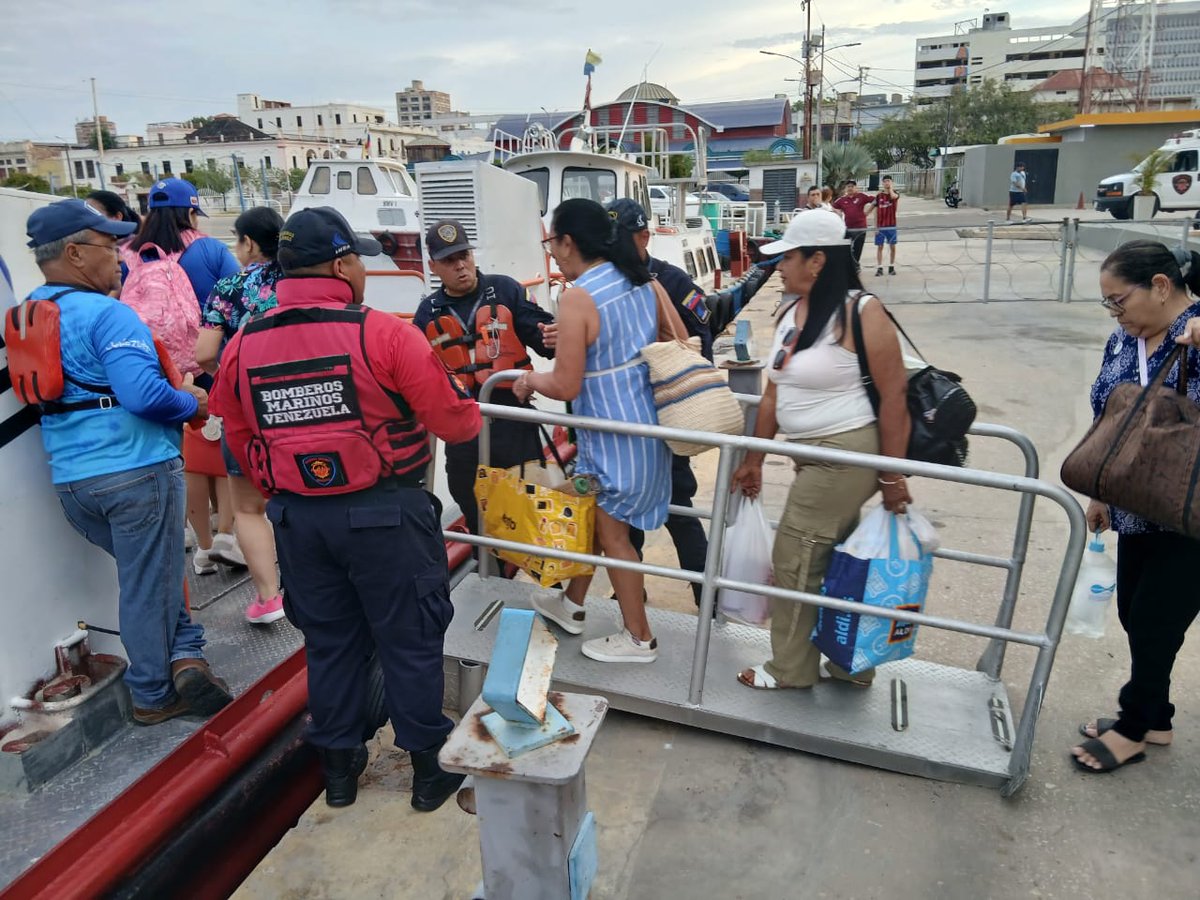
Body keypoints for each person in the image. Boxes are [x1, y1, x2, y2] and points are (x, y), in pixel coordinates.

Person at [210, 206, 481, 809]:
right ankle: (428, 774)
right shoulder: (384, 332)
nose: (361, 266)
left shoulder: (244, 344)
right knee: (409, 640)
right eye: (357, 256)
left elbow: (235, 431)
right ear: (341, 265)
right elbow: (456, 424)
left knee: (329, 643)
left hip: (300, 523)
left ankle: (337, 771)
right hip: (386, 515)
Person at [23, 199, 232, 725]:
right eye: (108, 245)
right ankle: (154, 695)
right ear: (73, 253)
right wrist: (194, 402)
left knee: (152, 577)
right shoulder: (109, 314)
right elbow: (143, 396)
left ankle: (187, 657)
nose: (121, 256)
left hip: (73, 483)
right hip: (137, 472)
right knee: (148, 584)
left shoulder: (29, 311)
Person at [728, 208, 912, 691]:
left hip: (845, 456)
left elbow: (895, 397)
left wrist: (892, 477)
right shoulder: (793, 311)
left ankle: (790, 669)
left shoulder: (861, 312)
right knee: (837, 564)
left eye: (787, 257)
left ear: (818, 261)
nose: (779, 267)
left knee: (795, 558)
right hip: (809, 456)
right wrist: (755, 458)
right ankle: (851, 665)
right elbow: (773, 392)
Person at [513, 198, 687, 663]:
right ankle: (571, 605)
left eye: (552, 242)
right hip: (642, 433)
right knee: (592, 517)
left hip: (610, 438)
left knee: (614, 538)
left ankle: (639, 638)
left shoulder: (578, 296)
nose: (552, 252)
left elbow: (566, 382)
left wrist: (528, 379)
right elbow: (674, 342)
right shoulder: (640, 281)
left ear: (569, 242)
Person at [1070, 240, 1200, 774]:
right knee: (1135, 613)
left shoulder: (1196, 331)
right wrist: (1102, 491)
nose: (1115, 314)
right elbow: (1111, 420)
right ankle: (1158, 717)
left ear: (1162, 287)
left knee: (1154, 620)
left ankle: (1132, 727)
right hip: (1137, 504)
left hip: (1190, 512)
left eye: (1119, 301)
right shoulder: (1124, 342)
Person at [123, 178, 244, 573]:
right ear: (191, 211)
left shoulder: (131, 254)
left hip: (160, 367)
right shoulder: (207, 249)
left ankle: (202, 549)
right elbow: (238, 295)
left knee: (187, 456)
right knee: (222, 444)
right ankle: (226, 534)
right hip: (211, 362)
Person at [411, 219, 554, 539]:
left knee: (529, 519)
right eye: (449, 260)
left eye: (464, 254)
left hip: (513, 423)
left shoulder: (506, 290)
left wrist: (560, 332)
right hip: (464, 433)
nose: (461, 265)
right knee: (476, 518)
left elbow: (546, 340)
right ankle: (490, 575)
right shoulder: (427, 314)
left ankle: (544, 585)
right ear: (433, 266)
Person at [605, 198, 710, 607]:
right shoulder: (604, 286)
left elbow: (698, 348)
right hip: (626, 426)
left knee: (678, 510)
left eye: (620, 240)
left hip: (665, 420)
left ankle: (709, 602)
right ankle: (630, 596)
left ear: (644, 237)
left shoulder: (674, 283)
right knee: (624, 516)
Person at [196, 207, 286, 623]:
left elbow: (204, 354)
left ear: (249, 243)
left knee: (249, 507)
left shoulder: (229, 287)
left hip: (246, 411)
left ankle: (270, 599)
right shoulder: (301, 282)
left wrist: (231, 381)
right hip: (303, 405)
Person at [831, 180, 871, 272]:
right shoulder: (842, 200)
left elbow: (875, 200)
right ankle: (848, 265)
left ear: (855, 188)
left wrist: (868, 212)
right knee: (846, 248)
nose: (850, 188)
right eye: (848, 186)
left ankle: (856, 266)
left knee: (858, 249)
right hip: (848, 229)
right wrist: (838, 212)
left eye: (852, 186)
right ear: (846, 188)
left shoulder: (862, 196)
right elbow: (832, 207)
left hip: (860, 228)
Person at [872, 176, 899, 277]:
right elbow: (875, 211)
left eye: (889, 181)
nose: (887, 183)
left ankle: (891, 267)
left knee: (892, 246)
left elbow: (893, 197)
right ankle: (879, 267)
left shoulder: (895, 194)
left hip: (891, 225)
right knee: (880, 246)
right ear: (882, 183)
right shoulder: (879, 196)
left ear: (891, 182)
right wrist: (875, 226)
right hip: (881, 225)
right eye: (885, 181)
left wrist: (890, 188)